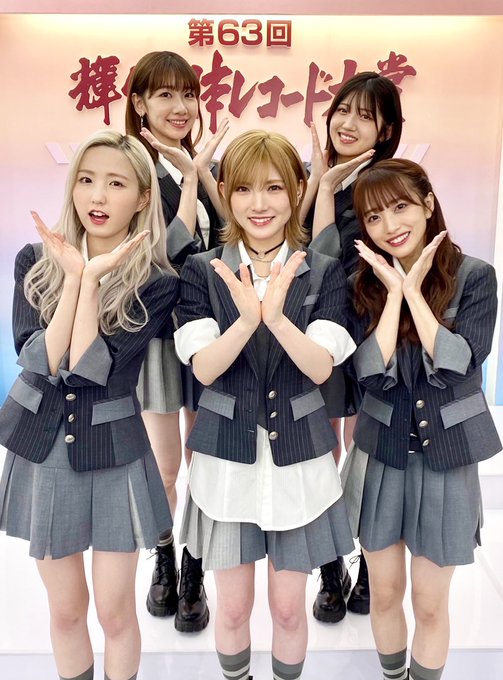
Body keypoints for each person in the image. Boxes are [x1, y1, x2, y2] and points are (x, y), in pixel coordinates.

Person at [174, 130, 356, 680]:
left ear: (298, 190)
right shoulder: (203, 270)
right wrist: (247, 321)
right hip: (225, 463)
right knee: (232, 610)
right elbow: (203, 368)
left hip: (299, 463)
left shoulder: (322, 270)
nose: (260, 204)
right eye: (244, 189)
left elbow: (321, 367)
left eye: (274, 188)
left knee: (287, 610)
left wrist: (274, 319)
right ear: (226, 193)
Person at [0, 130, 179, 680]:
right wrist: (75, 277)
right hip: (41, 446)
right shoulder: (34, 260)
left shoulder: (157, 281)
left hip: (114, 450)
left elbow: (88, 366)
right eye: (86, 180)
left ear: (143, 198)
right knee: (66, 610)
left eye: (115, 184)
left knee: (115, 612)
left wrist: (91, 280)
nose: (97, 196)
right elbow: (38, 359)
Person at [342, 158, 501, 680]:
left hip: (447, 459)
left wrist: (414, 291)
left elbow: (458, 364)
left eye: (400, 207)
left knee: (430, 604)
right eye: (373, 217)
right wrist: (393, 294)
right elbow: (368, 372)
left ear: (428, 204)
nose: (390, 226)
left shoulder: (474, 277)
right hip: (381, 456)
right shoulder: (361, 284)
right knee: (385, 594)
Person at [125, 50, 228, 631]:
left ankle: (195, 567)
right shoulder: (131, 168)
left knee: (203, 460)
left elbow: (233, 232)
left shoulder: (199, 163)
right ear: (139, 103)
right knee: (166, 467)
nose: (180, 106)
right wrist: (189, 181)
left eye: (188, 94)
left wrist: (202, 174)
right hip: (161, 337)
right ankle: (163, 559)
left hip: (212, 334)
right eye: (164, 94)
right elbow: (164, 253)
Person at [307, 72, 403, 623]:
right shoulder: (313, 176)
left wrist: (327, 191)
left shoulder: (383, 187)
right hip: (316, 337)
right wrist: (319, 186)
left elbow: (335, 265)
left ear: (384, 130)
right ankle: (329, 567)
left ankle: (368, 562)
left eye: (365, 116)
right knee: (324, 454)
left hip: (370, 333)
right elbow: (305, 260)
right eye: (342, 110)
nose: (348, 123)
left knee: (364, 452)